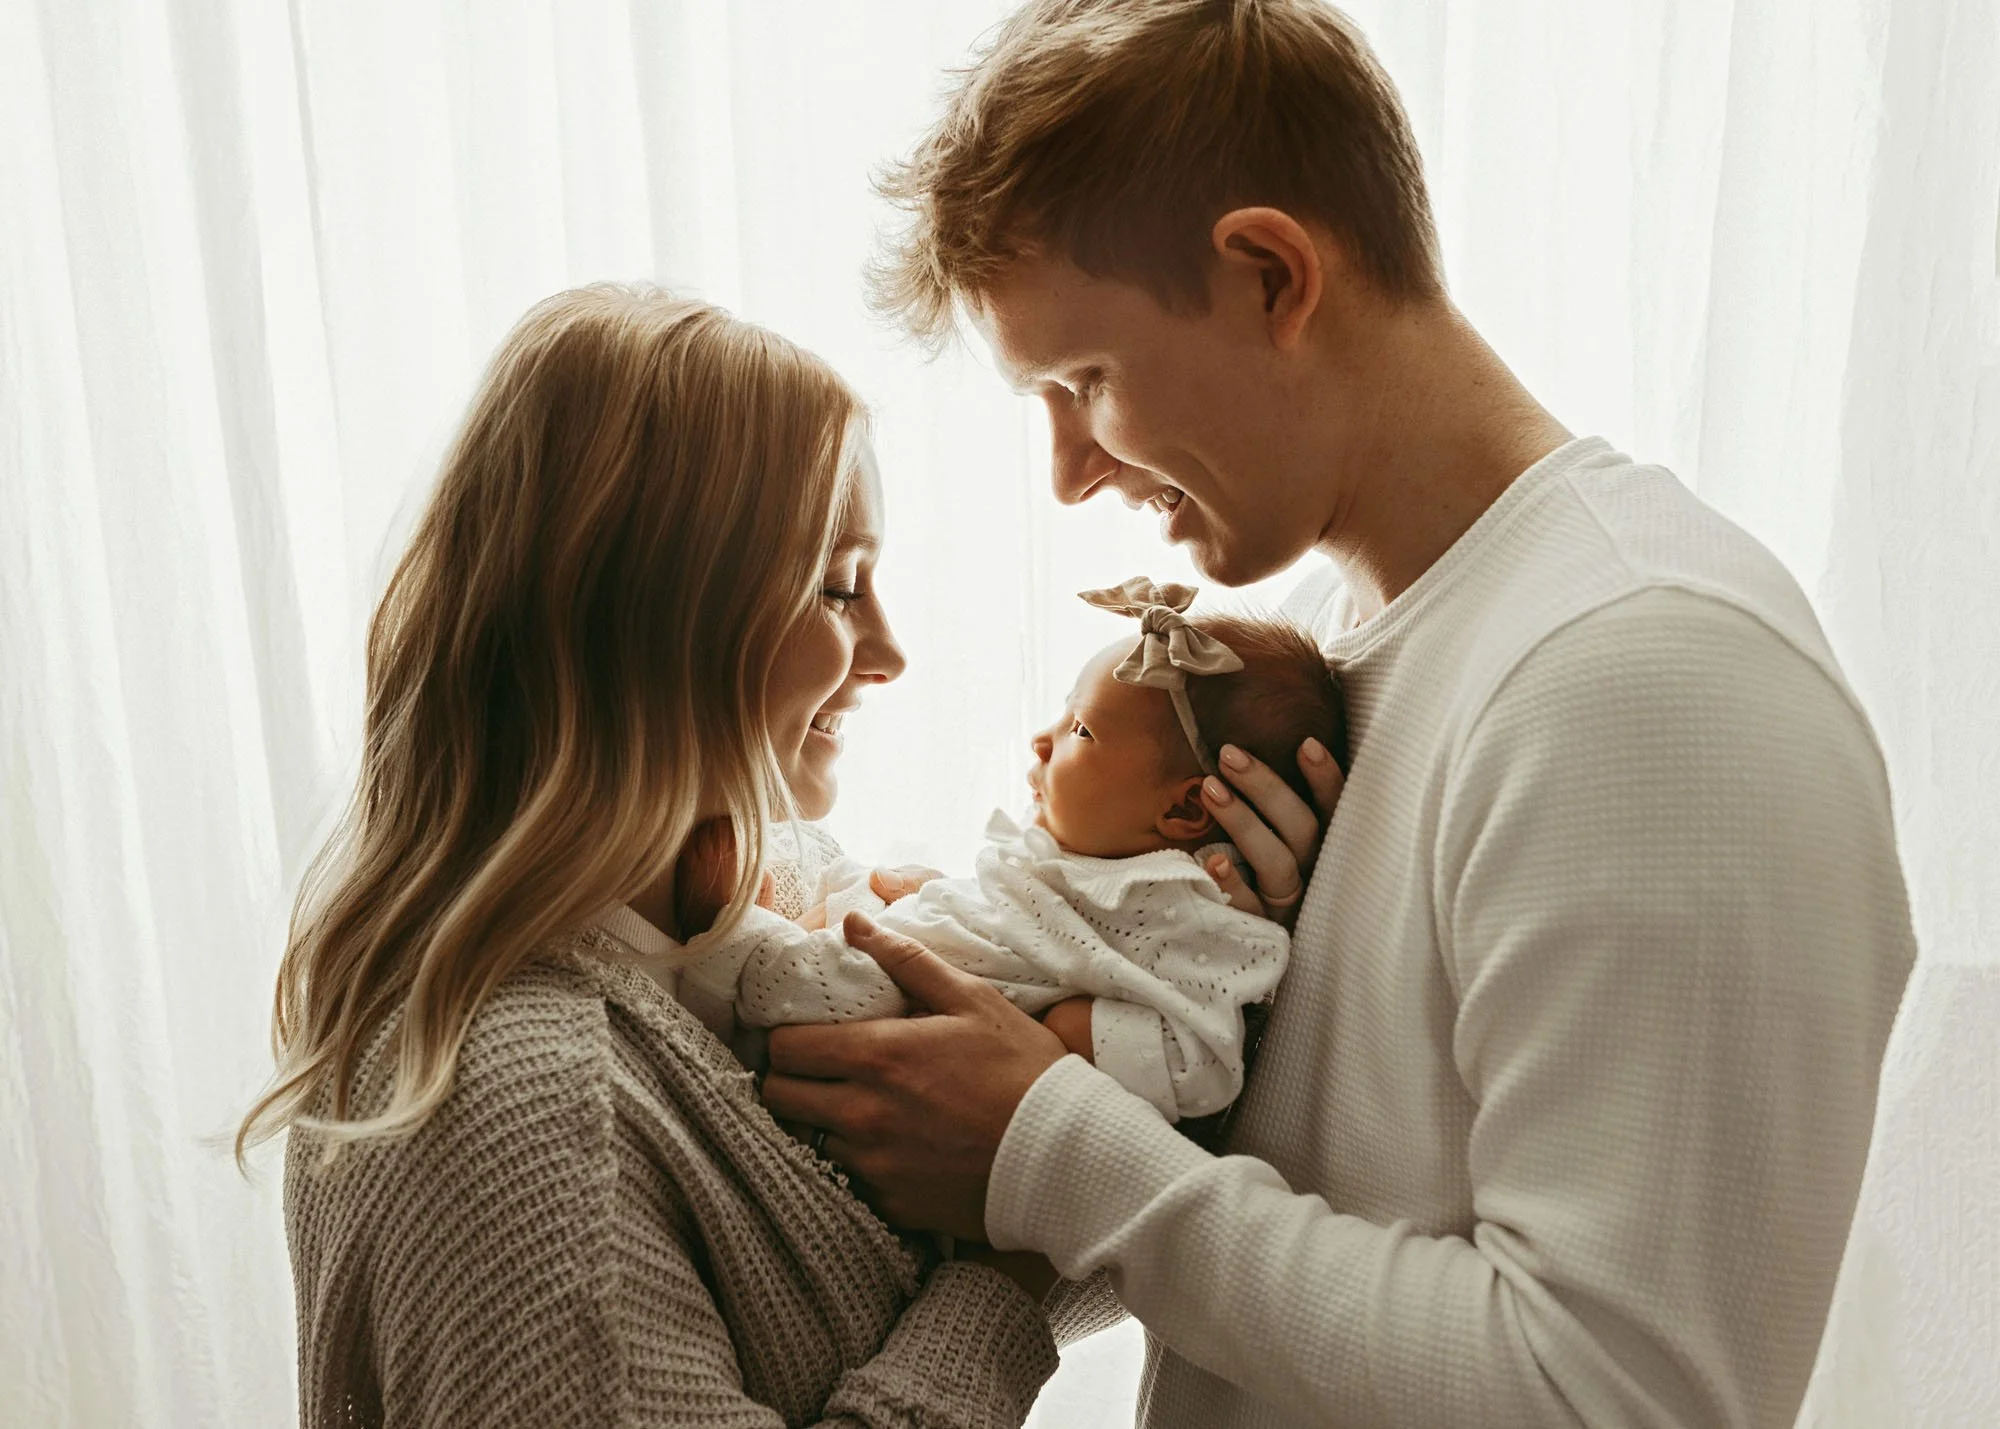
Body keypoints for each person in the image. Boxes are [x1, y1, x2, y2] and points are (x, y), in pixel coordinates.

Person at [761, 3, 1918, 1425]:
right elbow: (1284, 1208)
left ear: (1271, 275)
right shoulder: (1311, 648)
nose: (1068, 472)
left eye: (1085, 382)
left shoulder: (1653, 685)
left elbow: (1610, 1397)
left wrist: (1050, 1147)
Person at [239, 284, 1083, 1427]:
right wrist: (1004, 1278)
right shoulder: (532, 1107)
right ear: (651, 620)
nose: (886, 652)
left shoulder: (734, 921)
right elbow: (985, 1279)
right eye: (837, 585)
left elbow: (906, 1280)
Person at [683, 584, 1342, 1127]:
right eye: (1064, 713)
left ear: (1185, 810)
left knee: (813, 985)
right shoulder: (1098, 869)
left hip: (905, 1025)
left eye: (1082, 729)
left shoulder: (1172, 902)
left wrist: (1082, 1038)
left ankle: (725, 946)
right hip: (931, 964)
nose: (1043, 740)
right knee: (854, 900)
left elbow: (1202, 1062)